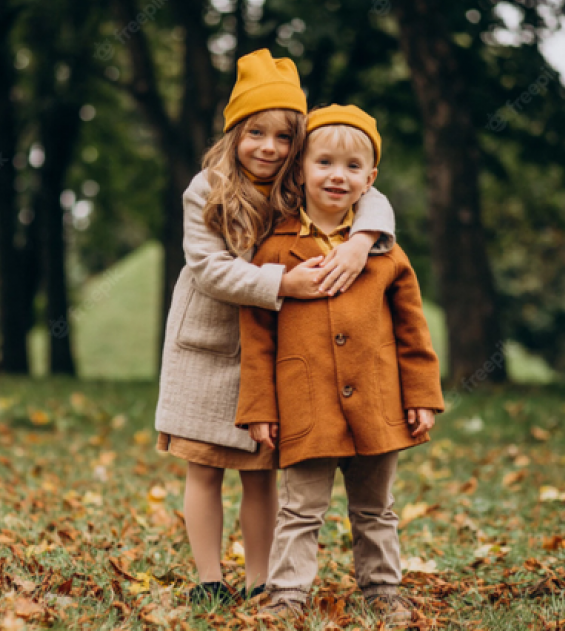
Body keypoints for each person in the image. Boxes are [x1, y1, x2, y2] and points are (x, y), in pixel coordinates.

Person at [154, 50, 398, 605]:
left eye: (284, 137)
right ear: (235, 132)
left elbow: (371, 193)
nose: (268, 147)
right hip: (208, 343)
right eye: (255, 132)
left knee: (260, 468)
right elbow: (209, 268)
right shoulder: (206, 187)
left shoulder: (300, 182)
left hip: (277, 345)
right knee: (204, 467)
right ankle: (208, 579)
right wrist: (283, 284)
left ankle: (261, 580)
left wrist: (361, 241)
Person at [236, 104, 444, 626]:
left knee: (376, 508)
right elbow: (257, 338)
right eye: (324, 162)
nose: (337, 176)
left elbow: (412, 331)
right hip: (306, 405)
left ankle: (382, 588)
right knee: (301, 509)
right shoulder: (274, 250)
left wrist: (421, 395)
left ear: (370, 180)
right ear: (300, 168)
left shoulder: (386, 254)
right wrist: (260, 405)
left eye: (353, 168)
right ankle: (286, 594)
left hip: (377, 401)